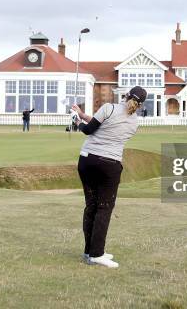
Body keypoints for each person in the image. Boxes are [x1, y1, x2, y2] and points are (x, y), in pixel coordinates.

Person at [72, 85, 146, 269]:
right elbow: (101, 126)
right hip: (109, 165)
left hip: (87, 160)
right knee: (103, 208)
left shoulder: (108, 108)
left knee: (91, 206)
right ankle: (97, 254)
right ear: (141, 104)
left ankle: (90, 251)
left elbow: (91, 129)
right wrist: (82, 116)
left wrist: (77, 121)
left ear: (126, 95)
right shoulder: (134, 123)